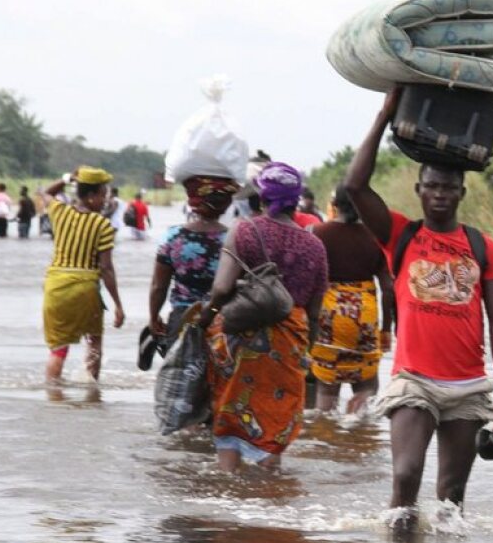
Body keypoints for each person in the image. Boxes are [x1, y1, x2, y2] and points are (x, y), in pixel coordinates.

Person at [345, 90, 493, 530]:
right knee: (405, 477)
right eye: (432, 187)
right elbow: (355, 186)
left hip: (467, 386)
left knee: (451, 499)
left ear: (462, 192)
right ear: (420, 190)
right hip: (414, 381)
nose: (440, 195)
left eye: (449, 188)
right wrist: (385, 114)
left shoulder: (481, 246)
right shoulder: (400, 234)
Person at [198, 162, 328, 472]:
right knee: (274, 420)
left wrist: (204, 320)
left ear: (261, 195)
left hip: (242, 336)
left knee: (231, 419)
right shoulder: (315, 246)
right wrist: (304, 353)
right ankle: (269, 492)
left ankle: (230, 491)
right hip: (290, 343)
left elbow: (221, 288)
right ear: (297, 199)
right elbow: (314, 312)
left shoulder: (245, 229)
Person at [310, 182, 394, 414]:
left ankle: (325, 439)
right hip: (364, 319)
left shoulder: (317, 233)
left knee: (326, 392)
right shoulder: (376, 237)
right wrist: (387, 329)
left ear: (335, 205)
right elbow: (388, 288)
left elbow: (308, 282)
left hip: (328, 318)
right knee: (367, 384)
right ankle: (359, 429)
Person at [39, 167, 126, 383]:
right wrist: (118, 304)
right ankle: (91, 391)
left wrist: (67, 178)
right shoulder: (102, 225)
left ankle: (53, 395)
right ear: (90, 196)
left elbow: (44, 192)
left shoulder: (59, 211)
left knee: (58, 350)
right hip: (85, 288)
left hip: (55, 286)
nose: (105, 200)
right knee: (94, 342)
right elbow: (106, 268)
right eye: (102, 195)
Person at [149, 175, 238, 351]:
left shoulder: (174, 237)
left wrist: (153, 317)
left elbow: (159, 286)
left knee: (179, 375)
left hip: (182, 318)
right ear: (226, 204)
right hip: (224, 321)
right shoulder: (236, 238)